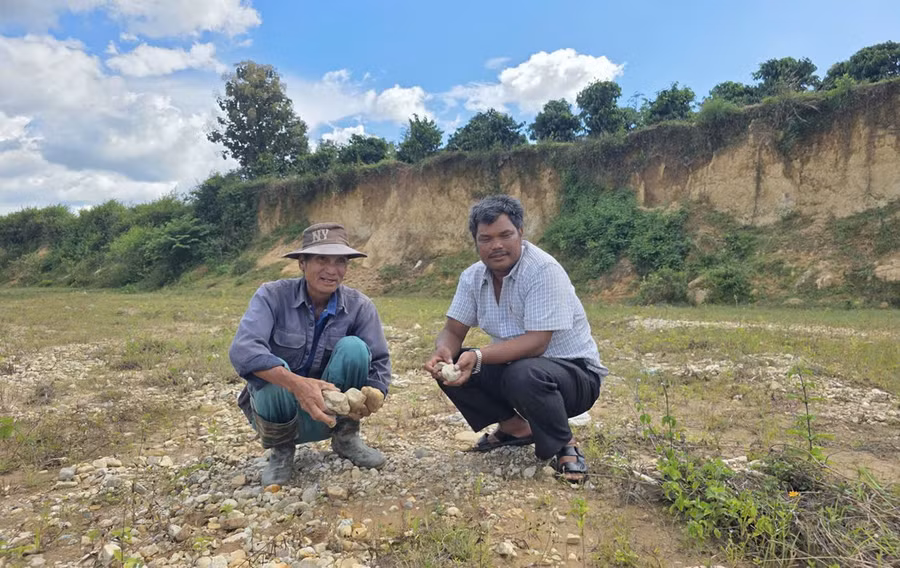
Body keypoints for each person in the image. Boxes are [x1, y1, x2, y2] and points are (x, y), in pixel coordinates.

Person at [424, 195, 607, 482]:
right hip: (521, 372)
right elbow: (453, 331)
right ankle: (515, 428)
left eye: (505, 235)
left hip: (574, 376)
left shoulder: (542, 270)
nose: (496, 245)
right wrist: (443, 352)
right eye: (486, 238)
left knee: (522, 372)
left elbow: (537, 343)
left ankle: (564, 444)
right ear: (476, 242)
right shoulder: (472, 277)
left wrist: (481, 356)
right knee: (456, 363)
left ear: (520, 233)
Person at [229, 222, 391, 486]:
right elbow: (243, 350)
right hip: (277, 411)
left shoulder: (360, 306)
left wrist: (375, 392)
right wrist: (297, 384)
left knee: (354, 348)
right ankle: (281, 451)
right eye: (321, 259)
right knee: (273, 368)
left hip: (330, 413)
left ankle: (346, 439)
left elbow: (380, 361)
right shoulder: (271, 296)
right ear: (302, 263)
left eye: (340, 261)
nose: (331, 270)